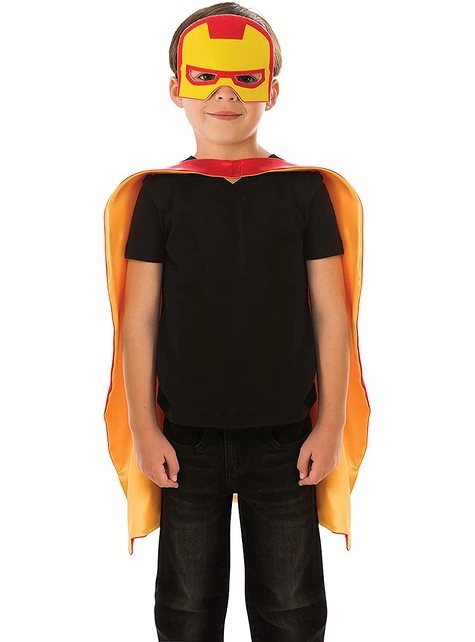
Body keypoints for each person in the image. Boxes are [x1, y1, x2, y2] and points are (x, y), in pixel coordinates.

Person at [103, 3, 370, 641]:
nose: (225, 95)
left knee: (291, 611)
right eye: (206, 79)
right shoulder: (157, 195)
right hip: (184, 442)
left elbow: (332, 315)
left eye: (245, 80)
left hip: (287, 441)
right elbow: (137, 319)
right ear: (177, 89)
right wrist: (143, 426)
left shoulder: (305, 192)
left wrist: (330, 424)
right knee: (186, 612)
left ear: (271, 91)